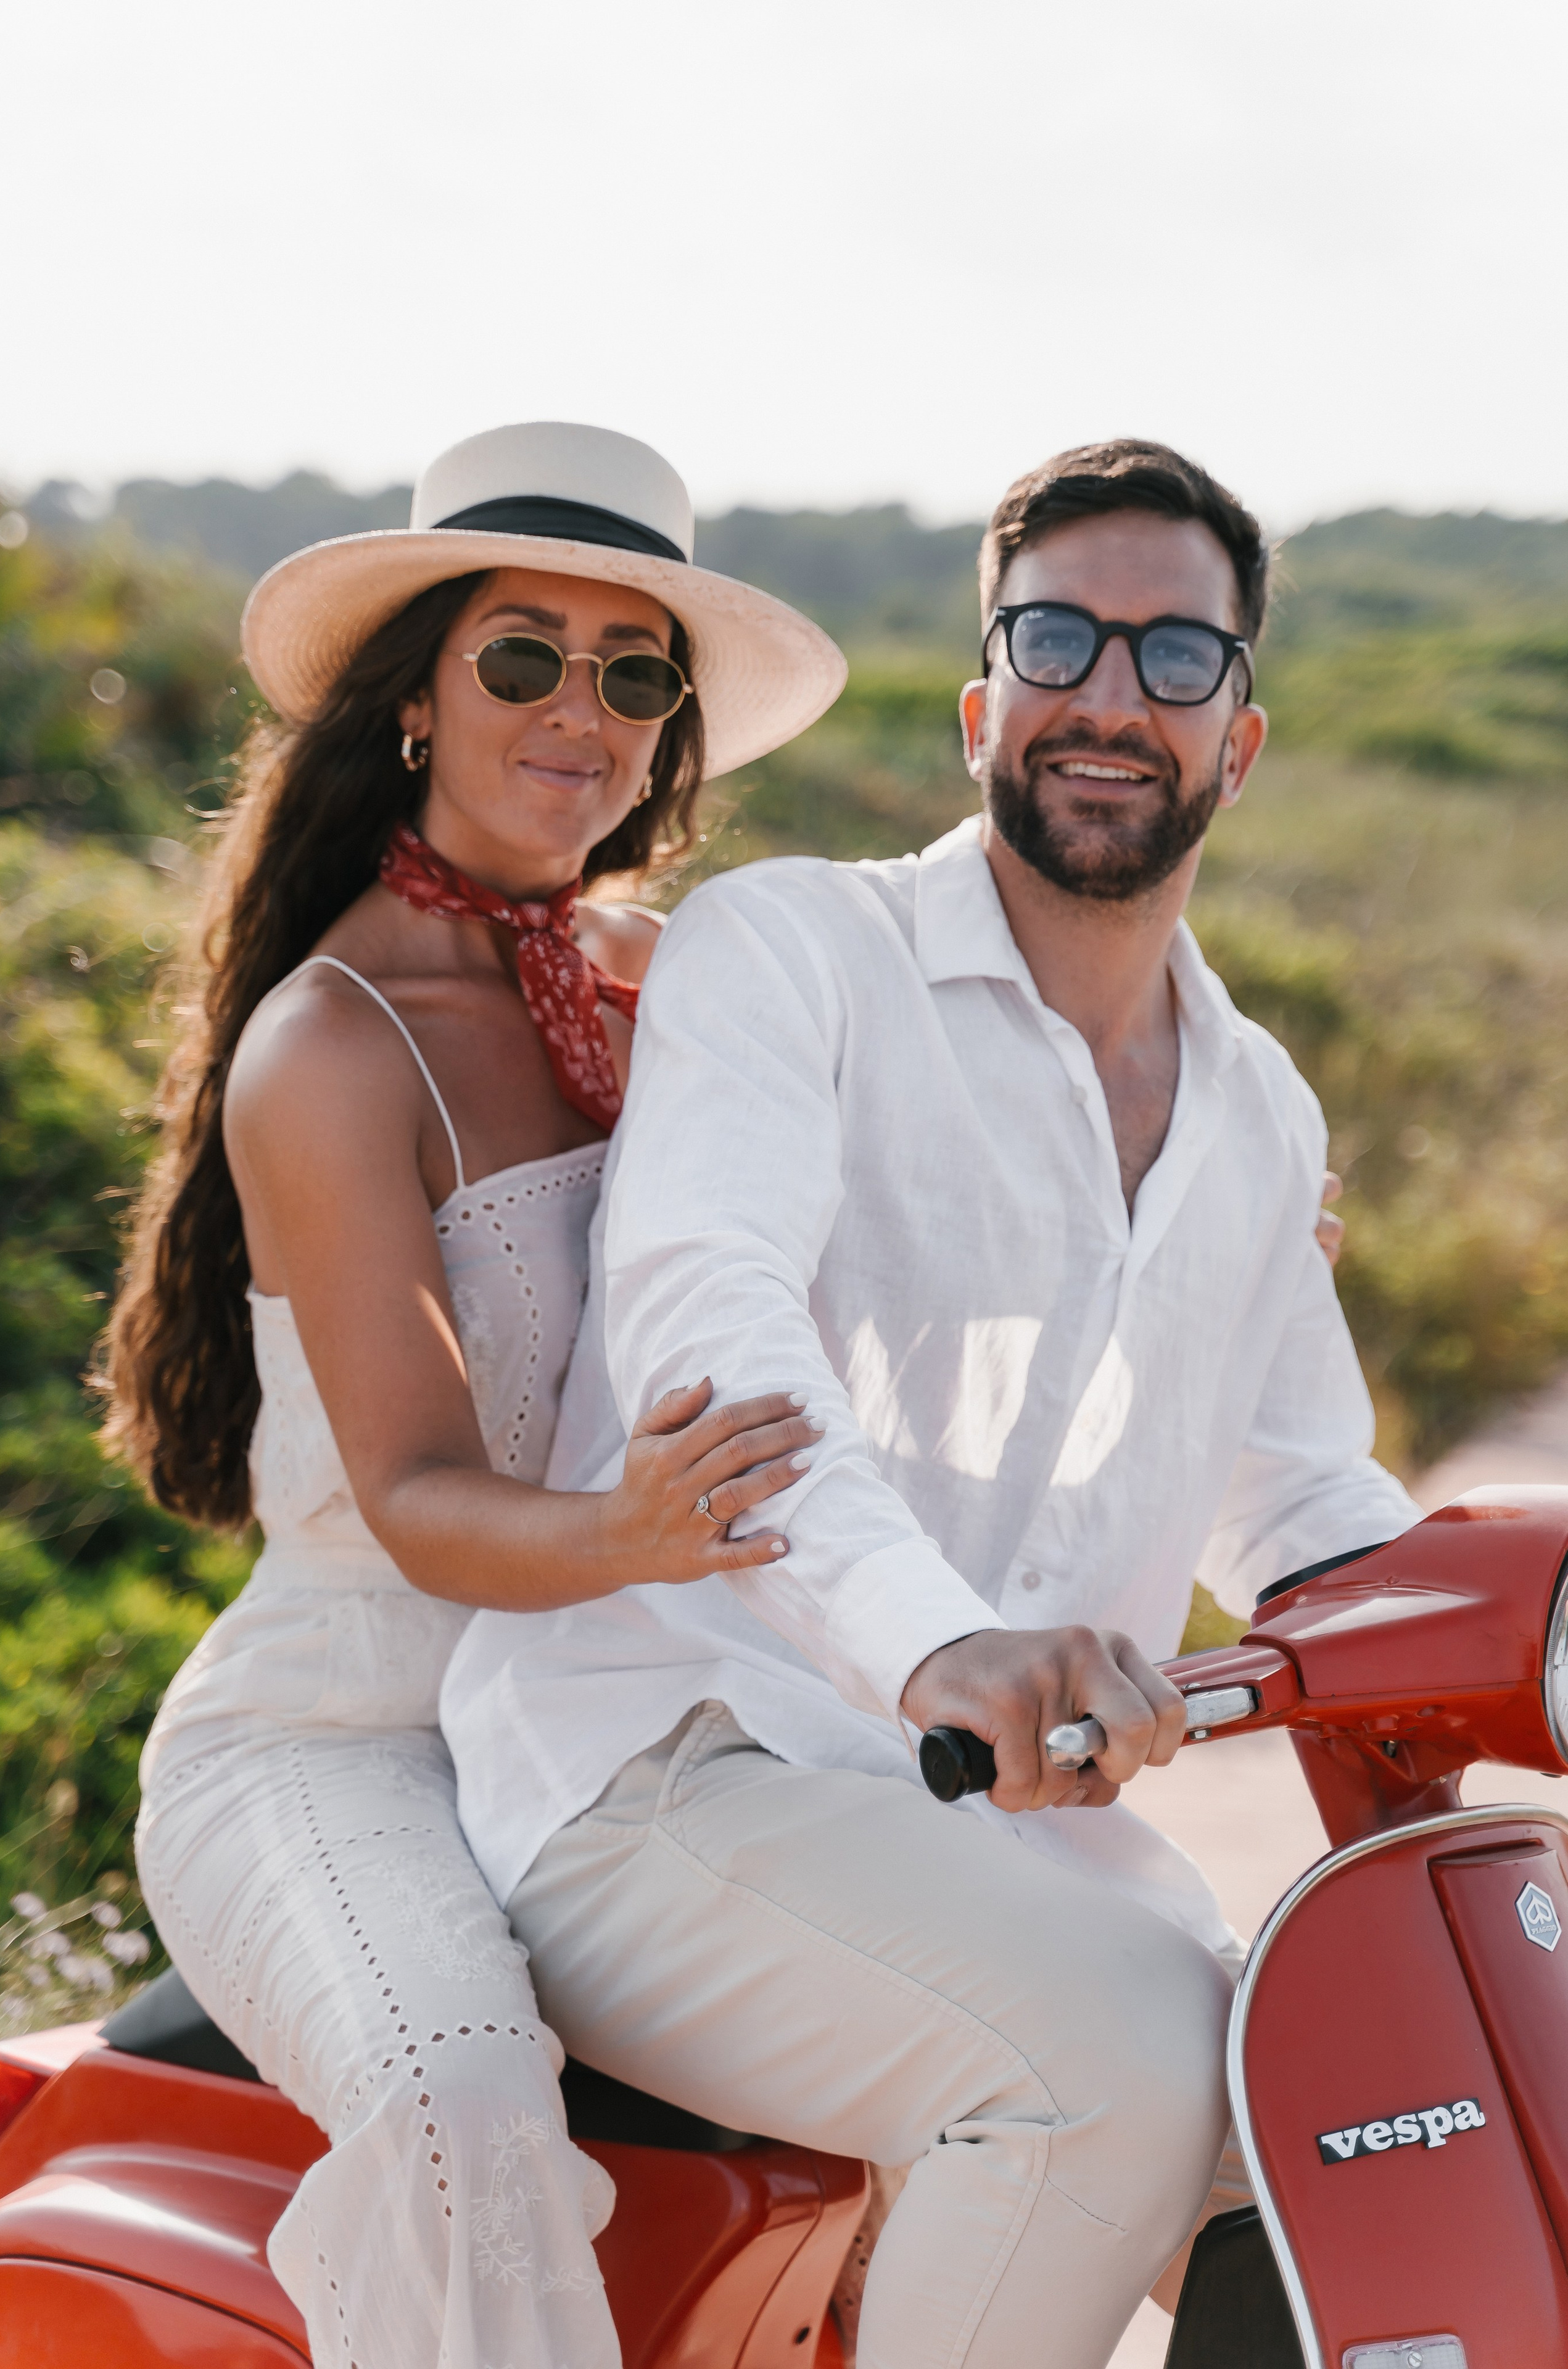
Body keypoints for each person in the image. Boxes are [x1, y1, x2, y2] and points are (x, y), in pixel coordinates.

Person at [440, 439, 1423, 2369]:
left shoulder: (1258, 1109)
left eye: (1175, 657)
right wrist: (937, 1640)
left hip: (1009, 1842)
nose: (1111, 696)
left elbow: (1310, 1504)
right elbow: (706, 1311)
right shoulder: (802, 949)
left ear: (1243, 736)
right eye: (1058, 637)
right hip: (671, 1770)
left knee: (1367, 2146)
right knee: (1111, 2078)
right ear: (986, 700)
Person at [102, 422, 846, 2369]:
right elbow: (424, 1492)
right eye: (522, 655)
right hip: (346, 1743)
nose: (577, 711)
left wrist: (1216, 1214)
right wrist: (626, 1532)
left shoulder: (681, 979)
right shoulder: (334, 1046)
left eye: (632, 673)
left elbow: (915, 1243)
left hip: (623, 1720)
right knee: (461, 2103)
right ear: (418, 698)